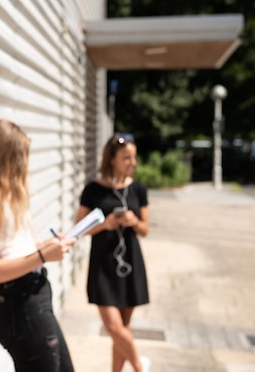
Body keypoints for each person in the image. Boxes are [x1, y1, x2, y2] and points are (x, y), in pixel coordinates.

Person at [0, 119, 77, 372]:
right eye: (20, 158)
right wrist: (42, 255)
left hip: (34, 296)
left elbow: (12, 250)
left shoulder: (3, 196)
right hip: (20, 304)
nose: (24, 166)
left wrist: (46, 246)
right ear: (3, 158)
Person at [74, 133, 150, 372]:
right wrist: (105, 225)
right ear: (112, 159)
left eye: (134, 158)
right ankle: (140, 366)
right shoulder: (94, 190)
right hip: (103, 264)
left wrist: (133, 221)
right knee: (114, 327)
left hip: (130, 262)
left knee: (123, 329)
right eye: (126, 158)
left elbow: (145, 229)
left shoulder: (137, 189)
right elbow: (79, 228)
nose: (132, 163)